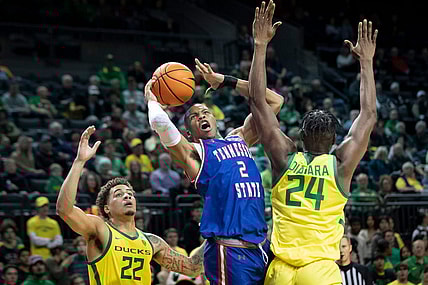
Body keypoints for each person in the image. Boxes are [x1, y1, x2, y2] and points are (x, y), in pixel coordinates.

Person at [248, 1, 378, 283]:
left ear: (300, 136)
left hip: (280, 267)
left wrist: (260, 45)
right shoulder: (341, 165)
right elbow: (368, 115)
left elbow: (257, 100)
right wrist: (366, 63)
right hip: (319, 268)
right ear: (335, 140)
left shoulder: (284, 157)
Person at [146, 38, 283, 285]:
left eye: (205, 112)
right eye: (194, 116)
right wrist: (152, 101)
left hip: (261, 247)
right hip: (228, 250)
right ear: (190, 132)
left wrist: (226, 81)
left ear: (215, 118)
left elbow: (274, 101)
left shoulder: (240, 137)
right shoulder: (196, 152)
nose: (201, 116)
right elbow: (161, 125)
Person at [56, 126, 205, 285]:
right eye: (118, 194)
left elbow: (192, 267)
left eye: (130, 193)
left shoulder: (151, 241)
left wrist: (215, 234)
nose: (127, 195)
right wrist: (80, 162)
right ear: (107, 208)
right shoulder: (100, 229)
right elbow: (64, 209)